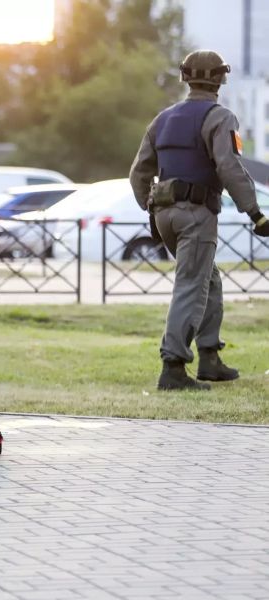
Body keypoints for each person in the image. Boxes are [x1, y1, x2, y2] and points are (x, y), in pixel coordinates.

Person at [130, 50, 269, 391]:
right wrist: (255, 212)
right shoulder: (220, 117)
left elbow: (138, 173)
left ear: (186, 77)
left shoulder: (162, 119)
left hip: (165, 215)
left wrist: (151, 209)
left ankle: (210, 358)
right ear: (221, 78)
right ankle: (173, 366)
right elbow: (229, 166)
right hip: (197, 214)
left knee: (208, 280)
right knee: (192, 284)